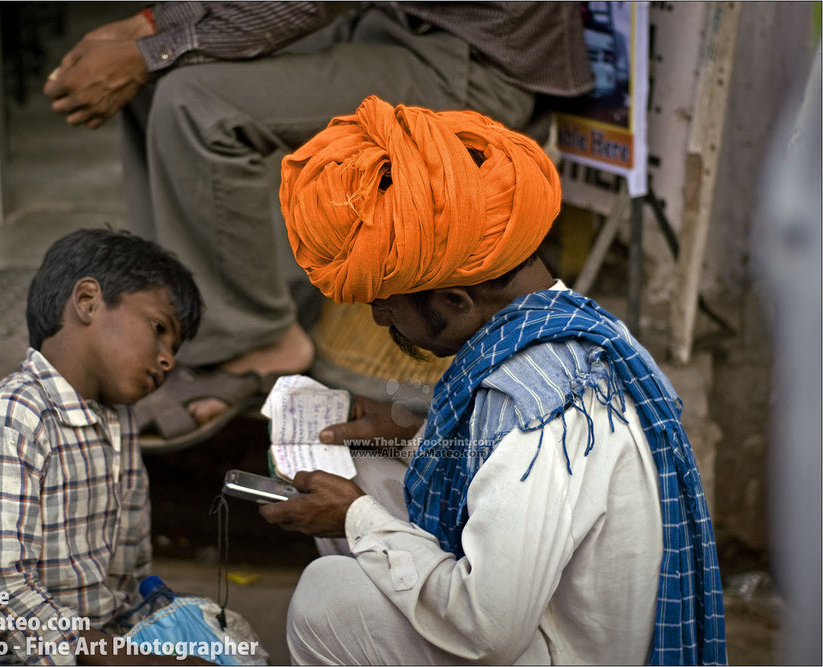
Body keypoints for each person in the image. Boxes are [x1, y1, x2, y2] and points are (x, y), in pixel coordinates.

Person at [258, 96, 728, 664]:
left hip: (556, 648)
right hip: (546, 614)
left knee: (325, 598)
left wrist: (354, 518)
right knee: (354, 457)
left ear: (456, 300)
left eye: (385, 304)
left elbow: (490, 629)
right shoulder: (565, 323)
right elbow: (490, 427)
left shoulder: (542, 414)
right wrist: (409, 426)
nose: (381, 320)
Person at [42, 2, 594, 447]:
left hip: (480, 56)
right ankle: (191, 302)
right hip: (395, 21)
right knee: (160, 79)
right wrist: (152, 28)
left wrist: (150, 42)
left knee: (195, 104)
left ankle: (258, 339)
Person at [0, 228, 205, 665]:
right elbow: (2, 590)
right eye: (159, 330)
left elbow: (127, 578)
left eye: (174, 348)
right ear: (87, 302)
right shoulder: (14, 417)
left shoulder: (119, 421)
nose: (168, 360)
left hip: (98, 645)